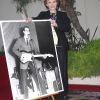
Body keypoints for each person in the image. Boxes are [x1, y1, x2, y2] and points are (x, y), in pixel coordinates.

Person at [28, 0, 71, 99]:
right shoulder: (43, 14)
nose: (52, 4)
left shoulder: (63, 15)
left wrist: (57, 24)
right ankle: (51, 93)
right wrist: (30, 19)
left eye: (54, 2)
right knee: (49, 70)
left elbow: (67, 28)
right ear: (46, 4)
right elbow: (36, 20)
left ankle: (62, 94)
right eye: (49, 2)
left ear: (57, 3)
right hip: (47, 48)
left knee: (62, 71)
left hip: (60, 47)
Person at [12, 26, 50, 99]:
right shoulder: (19, 40)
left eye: (28, 30)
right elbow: (13, 49)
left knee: (38, 76)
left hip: (31, 60)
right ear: (23, 31)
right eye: (26, 30)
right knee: (23, 80)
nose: (27, 32)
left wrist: (43, 56)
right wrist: (21, 55)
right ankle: (26, 97)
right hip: (23, 60)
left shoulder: (32, 41)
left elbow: (36, 52)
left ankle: (44, 93)